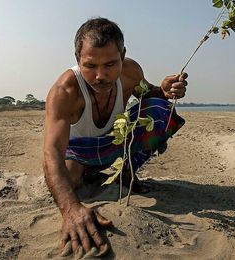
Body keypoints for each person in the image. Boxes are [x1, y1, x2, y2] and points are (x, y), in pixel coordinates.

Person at [43, 17, 187, 257]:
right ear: (78, 59)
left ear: (123, 55)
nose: (101, 75)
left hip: (115, 144)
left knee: (160, 108)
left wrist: (163, 90)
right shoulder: (65, 91)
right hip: (78, 152)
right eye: (90, 66)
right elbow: (52, 152)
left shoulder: (131, 71)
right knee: (69, 183)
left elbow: (148, 94)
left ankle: (126, 173)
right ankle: (89, 174)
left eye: (110, 64)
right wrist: (70, 210)